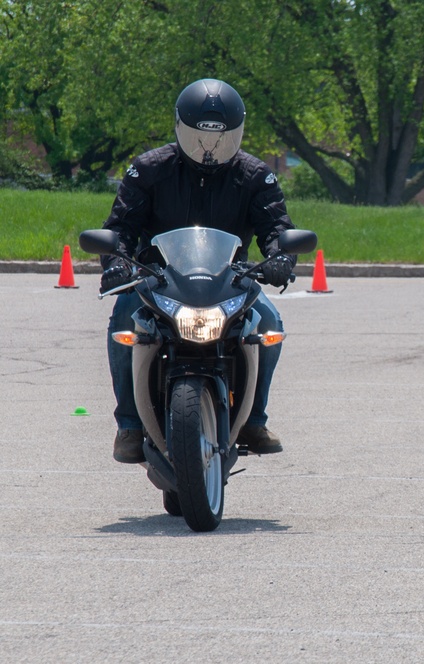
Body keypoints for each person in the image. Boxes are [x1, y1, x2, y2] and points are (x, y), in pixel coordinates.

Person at [100, 78, 297, 464]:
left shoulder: (256, 176)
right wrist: (117, 263)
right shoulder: (148, 169)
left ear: (238, 133)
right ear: (178, 128)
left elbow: (277, 228)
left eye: (222, 140)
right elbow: (119, 227)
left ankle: (253, 419)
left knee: (269, 322)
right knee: (124, 319)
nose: (210, 150)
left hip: (229, 279)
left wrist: (280, 257)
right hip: (157, 279)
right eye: (200, 139)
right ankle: (129, 424)